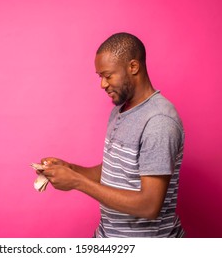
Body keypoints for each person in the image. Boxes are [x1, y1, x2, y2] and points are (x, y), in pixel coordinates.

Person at [40, 32, 185, 237]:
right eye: (100, 77)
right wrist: (70, 169)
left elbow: (149, 205)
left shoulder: (159, 121)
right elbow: (116, 170)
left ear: (133, 67)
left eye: (108, 76)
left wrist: (77, 182)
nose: (103, 84)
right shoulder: (120, 110)